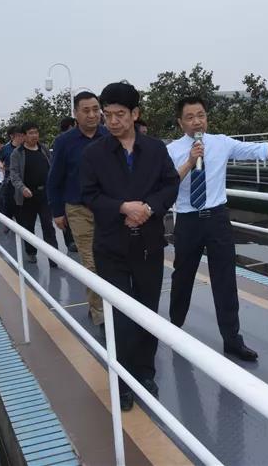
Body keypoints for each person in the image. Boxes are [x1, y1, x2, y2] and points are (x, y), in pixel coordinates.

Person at [166, 96, 268, 361]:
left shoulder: (221, 143)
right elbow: (167, 184)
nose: (197, 121)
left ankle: (232, 340)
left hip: (217, 219)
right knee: (182, 278)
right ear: (180, 122)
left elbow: (260, 150)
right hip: (188, 220)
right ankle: (174, 328)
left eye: (201, 115)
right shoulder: (172, 150)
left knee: (225, 281)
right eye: (190, 117)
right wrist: (189, 161)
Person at [81, 81, 179, 411]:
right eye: (107, 114)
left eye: (119, 114)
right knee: (121, 317)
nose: (112, 121)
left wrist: (148, 209)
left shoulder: (155, 149)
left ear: (135, 114)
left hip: (149, 244)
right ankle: (123, 381)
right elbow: (88, 194)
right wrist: (123, 208)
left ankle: (145, 373)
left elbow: (170, 185)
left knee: (148, 313)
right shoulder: (94, 153)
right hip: (111, 247)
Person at [47, 92, 108, 328]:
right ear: (75, 113)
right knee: (91, 262)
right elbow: (55, 178)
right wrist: (57, 211)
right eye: (86, 110)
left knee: (111, 260)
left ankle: (113, 305)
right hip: (78, 209)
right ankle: (99, 313)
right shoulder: (65, 142)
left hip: (108, 208)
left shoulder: (109, 136)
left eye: (95, 109)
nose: (92, 114)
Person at [9, 122, 59, 266]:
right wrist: (22, 188)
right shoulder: (17, 153)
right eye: (31, 133)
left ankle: (53, 257)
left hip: (45, 194)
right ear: (24, 136)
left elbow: (52, 166)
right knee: (28, 226)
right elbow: (14, 174)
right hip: (27, 196)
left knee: (48, 225)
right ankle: (31, 252)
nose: (34, 135)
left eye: (36, 132)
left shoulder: (43, 149)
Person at [56, 117, 78, 253]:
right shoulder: (63, 141)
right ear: (71, 126)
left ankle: (71, 241)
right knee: (67, 214)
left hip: (70, 185)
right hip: (67, 185)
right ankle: (70, 241)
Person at [0, 126, 24, 229]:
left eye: (22, 135)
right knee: (8, 202)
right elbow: (0, 161)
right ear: (12, 136)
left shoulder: (24, 147)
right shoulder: (5, 149)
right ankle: (7, 223)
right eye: (18, 135)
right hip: (9, 180)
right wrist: (2, 166)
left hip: (22, 180)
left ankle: (22, 226)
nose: (21, 137)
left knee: (21, 206)